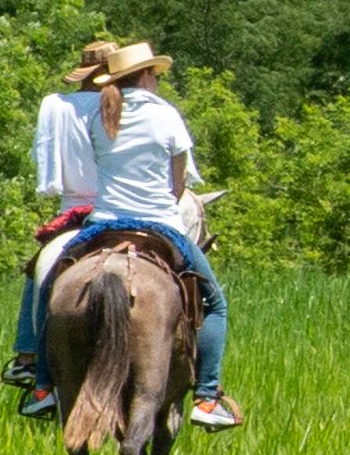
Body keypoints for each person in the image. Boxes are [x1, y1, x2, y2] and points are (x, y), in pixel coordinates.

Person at [33, 41, 242, 430]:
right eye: (156, 75)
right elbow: (177, 186)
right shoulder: (166, 116)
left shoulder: (100, 115)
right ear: (145, 76)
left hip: (102, 224)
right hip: (159, 224)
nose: (158, 82)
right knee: (216, 304)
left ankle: (43, 385)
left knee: (49, 287)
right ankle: (207, 397)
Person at [5, 38, 122, 416]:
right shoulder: (127, 106)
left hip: (74, 208)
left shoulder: (58, 105)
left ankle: (28, 357)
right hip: (120, 208)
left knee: (40, 271)